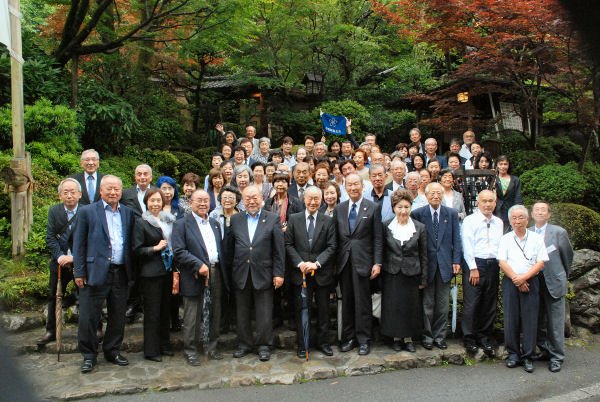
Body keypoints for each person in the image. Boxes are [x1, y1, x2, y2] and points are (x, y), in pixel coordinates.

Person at [74, 175, 134, 373]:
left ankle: (112, 350)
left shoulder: (127, 213)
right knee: (89, 316)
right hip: (94, 272)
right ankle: (89, 355)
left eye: (117, 189)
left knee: (118, 315)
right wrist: (79, 271)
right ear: (101, 190)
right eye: (109, 188)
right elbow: (79, 244)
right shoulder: (87, 212)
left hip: (120, 271)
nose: (113, 192)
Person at [225, 186, 285, 362]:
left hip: (264, 272)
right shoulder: (235, 219)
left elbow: (279, 250)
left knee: (264, 312)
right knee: (242, 312)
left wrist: (279, 273)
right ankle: (244, 344)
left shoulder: (273, 218)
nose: (251, 201)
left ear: (261, 198)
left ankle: (264, 345)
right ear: (242, 200)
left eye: (254, 197)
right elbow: (229, 248)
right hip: (241, 272)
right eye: (247, 198)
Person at [172, 189, 228, 366]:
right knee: (192, 314)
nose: (203, 204)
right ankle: (190, 350)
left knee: (215, 311)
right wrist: (198, 265)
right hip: (194, 273)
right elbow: (179, 251)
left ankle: (211, 347)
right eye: (199, 200)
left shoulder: (214, 223)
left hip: (215, 271)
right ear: (191, 203)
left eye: (206, 200)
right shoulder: (181, 224)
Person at [333, 174, 383, 356]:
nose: (353, 188)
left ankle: (364, 340)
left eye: (356, 184)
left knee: (363, 302)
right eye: (349, 185)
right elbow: (335, 239)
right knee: (346, 302)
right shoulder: (339, 209)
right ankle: (348, 338)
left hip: (364, 262)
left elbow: (378, 238)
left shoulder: (373, 207)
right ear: (345, 188)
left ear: (363, 186)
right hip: (344, 262)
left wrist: (377, 263)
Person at [285, 186, 337, 358]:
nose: (313, 202)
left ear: (321, 200)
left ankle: (323, 343)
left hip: (321, 273)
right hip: (300, 274)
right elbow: (288, 245)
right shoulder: (294, 219)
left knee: (323, 310)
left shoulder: (328, 221)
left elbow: (332, 246)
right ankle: (303, 344)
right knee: (302, 310)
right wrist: (300, 263)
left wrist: (317, 264)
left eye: (316, 199)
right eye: (310, 198)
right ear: (304, 199)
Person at [498, 205, 549, 373]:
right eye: (514, 218)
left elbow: (541, 262)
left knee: (530, 319)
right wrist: (517, 279)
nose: (517, 221)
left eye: (521, 218)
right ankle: (513, 354)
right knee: (511, 318)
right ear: (510, 220)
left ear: (527, 220)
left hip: (531, 281)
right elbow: (502, 262)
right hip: (511, 281)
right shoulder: (506, 238)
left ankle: (528, 356)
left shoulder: (536, 238)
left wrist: (524, 278)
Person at [411, 182, 461, 350]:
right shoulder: (418, 214)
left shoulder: (451, 214)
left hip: (445, 265)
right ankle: (427, 336)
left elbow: (456, 239)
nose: (435, 196)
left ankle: (440, 336)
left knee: (442, 304)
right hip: (427, 266)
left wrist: (456, 260)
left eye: (439, 193)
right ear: (426, 195)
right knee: (427, 304)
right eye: (432, 193)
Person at [381, 189, 428, 353]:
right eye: (399, 207)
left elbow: (424, 254)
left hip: (412, 273)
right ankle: (395, 338)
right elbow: (382, 251)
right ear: (394, 208)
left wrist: (423, 279)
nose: (403, 211)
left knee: (410, 307)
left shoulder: (420, 228)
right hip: (392, 273)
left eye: (406, 207)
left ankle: (408, 339)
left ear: (410, 207)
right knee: (393, 307)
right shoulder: (386, 226)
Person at [529, 201, 574, 372]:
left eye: (543, 210)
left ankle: (557, 357)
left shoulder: (559, 232)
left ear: (549, 214)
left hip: (554, 281)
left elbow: (567, 257)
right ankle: (545, 350)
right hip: (535, 282)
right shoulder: (528, 232)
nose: (540, 213)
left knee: (555, 322)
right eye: (536, 210)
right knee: (539, 321)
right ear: (532, 214)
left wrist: (562, 276)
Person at [37, 178, 82, 346]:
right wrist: (60, 257)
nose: (69, 196)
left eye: (72, 192)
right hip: (59, 263)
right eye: (65, 192)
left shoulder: (86, 211)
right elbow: (50, 237)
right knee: (53, 296)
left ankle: (94, 329)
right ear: (59, 195)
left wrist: (75, 256)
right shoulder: (54, 211)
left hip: (80, 262)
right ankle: (51, 331)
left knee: (86, 296)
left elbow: (90, 238)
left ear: (80, 194)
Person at [132, 188, 175, 362]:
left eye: (158, 200)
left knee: (166, 310)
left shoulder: (168, 220)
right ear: (146, 203)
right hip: (151, 273)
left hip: (167, 270)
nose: (156, 204)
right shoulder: (141, 222)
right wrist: (154, 248)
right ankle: (151, 350)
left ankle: (165, 345)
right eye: (152, 201)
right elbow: (136, 249)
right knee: (152, 312)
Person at [460, 190, 504, 354]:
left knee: (489, 302)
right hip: (475, 264)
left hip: (493, 264)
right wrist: (473, 267)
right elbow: (467, 245)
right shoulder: (470, 221)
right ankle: (469, 338)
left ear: (495, 202)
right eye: (484, 201)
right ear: (478, 203)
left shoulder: (499, 222)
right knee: (472, 303)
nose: (487, 204)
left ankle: (484, 337)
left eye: (490, 201)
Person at [120, 164, 153, 322]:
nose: (142, 177)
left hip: (153, 238)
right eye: (139, 174)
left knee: (149, 274)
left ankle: (147, 303)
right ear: (135, 177)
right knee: (133, 273)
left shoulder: (156, 192)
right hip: (133, 239)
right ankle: (132, 304)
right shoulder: (126, 194)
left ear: (151, 177)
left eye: (145, 174)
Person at [494, 155, 522, 230]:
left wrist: (517, 211)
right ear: (497, 165)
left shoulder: (515, 180)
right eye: (500, 164)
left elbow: (518, 197)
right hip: (496, 210)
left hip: (510, 209)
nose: (503, 166)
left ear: (509, 165)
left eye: (505, 164)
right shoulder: (492, 179)